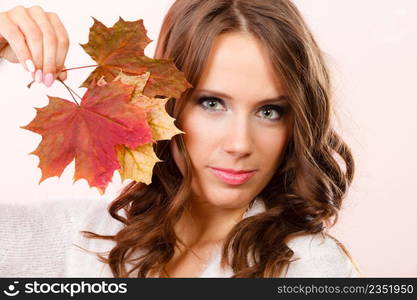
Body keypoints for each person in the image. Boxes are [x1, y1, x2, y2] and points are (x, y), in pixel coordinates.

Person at [0, 0, 361, 278]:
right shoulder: (86, 238)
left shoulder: (308, 266)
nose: (239, 144)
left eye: (269, 111)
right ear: (167, 103)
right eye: (212, 103)